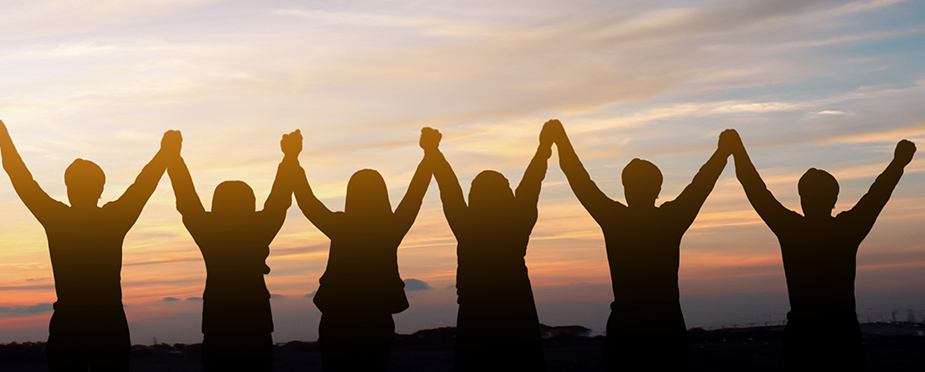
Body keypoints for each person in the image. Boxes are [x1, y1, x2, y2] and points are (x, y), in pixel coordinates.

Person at [0, 120, 179, 372]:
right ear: (101, 188)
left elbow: (21, 178)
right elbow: (144, 183)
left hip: (69, 324)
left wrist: (3, 140)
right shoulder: (114, 218)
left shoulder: (57, 218)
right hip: (109, 324)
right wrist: (165, 153)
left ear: (68, 188)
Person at [548, 121, 730, 371]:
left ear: (625, 188)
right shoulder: (670, 219)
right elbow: (702, 183)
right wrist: (722, 152)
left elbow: (578, 178)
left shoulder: (615, 219)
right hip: (667, 330)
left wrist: (560, 139)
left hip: (627, 329)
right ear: (658, 188)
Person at [729, 132, 913, 371]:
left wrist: (736, 149)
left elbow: (754, 187)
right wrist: (899, 162)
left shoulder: (791, 229)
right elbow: (878, 193)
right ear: (835, 198)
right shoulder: (847, 229)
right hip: (843, 341)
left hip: (802, 341)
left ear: (802, 198)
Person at [289, 128, 434, 372]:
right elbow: (415, 195)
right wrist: (429, 155)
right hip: (376, 321)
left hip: (337, 320)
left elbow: (306, 201)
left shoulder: (341, 225)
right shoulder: (390, 228)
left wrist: (292, 159)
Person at [423, 123, 554, 371]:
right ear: (507, 196)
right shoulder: (517, 224)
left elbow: (448, 186)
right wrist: (544, 147)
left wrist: (433, 151)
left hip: (476, 319)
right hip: (518, 317)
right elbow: (532, 181)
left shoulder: (467, 225)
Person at [166, 131, 297, 371]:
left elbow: (186, 199)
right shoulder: (259, 228)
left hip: (219, 323)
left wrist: (174, 158)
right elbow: (279, 199)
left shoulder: (209, 232)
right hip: (255, 322)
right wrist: (289, 157)